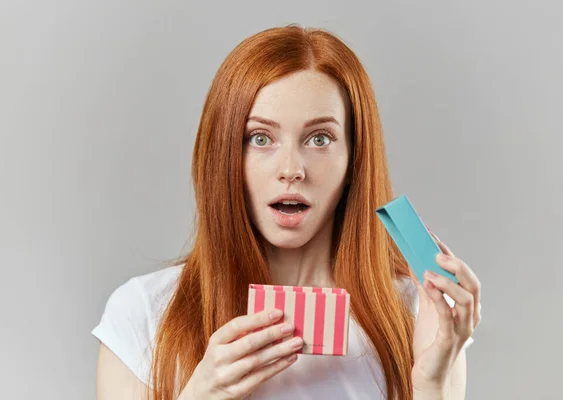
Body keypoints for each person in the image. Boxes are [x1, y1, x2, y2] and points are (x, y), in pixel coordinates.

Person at [92, 24, 482, 400]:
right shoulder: (143, 313)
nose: (292, 169)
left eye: (320, 138)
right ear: (224, 156)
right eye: (260, 138)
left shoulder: (420, 316)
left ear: (354, 160)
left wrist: (432, 387)